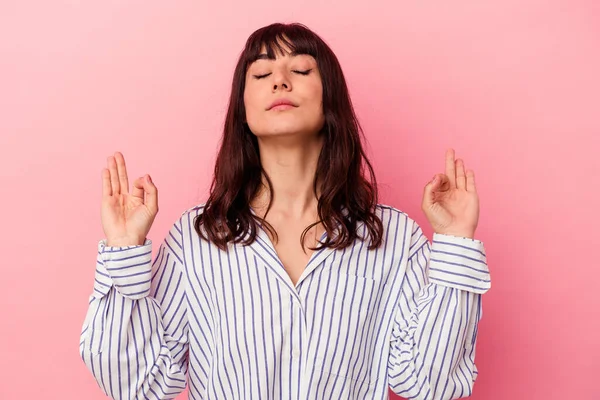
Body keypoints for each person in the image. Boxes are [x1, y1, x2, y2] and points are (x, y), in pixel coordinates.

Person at [79, 22, 491, 400]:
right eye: (260, 74)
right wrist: (123, 249)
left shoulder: (394, 238)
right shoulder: (196, 239)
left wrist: (455, 242)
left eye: (301, 70)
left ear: (330, 95)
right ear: (242, 109)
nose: (279, 80)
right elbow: (140, 384)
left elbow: (429, 383)